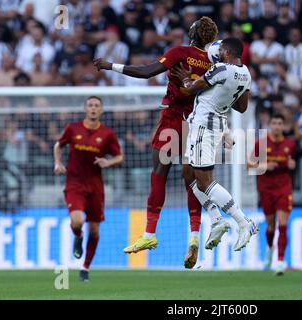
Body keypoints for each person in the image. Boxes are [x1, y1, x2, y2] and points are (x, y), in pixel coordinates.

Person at [93, 16, 218, 269]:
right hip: (197, 122)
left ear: (193, 33)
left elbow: (147, 71)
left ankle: (149, 234)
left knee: (159, 172)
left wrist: (110, 66)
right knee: (192, 179)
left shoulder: (180, 52)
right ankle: (194, 236)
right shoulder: (213, 63)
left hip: (173, 118)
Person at [171, 37, 258, 252]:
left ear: (227, 52)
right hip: (215, 124)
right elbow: (242, 107)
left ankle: (243, 222)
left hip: (204, 127)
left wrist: (185, 79)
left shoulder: (221, 69)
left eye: (220, 51)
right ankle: (217, 219)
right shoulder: (246, 74)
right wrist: (223, 95)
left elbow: (191, 88)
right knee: (188, 172)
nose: (216, 54)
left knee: (204, 182)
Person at [53, 96, 123, 282]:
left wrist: (108, 162)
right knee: (77, 221)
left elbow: (119, 157)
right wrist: (58, 163)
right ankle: (78, 235)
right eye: (90, 105)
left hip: (95, 185)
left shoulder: (107, 134)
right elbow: (58, 145)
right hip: (74, 183)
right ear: (85, 109)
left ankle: (85, 268)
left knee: (94, 231)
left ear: (101, 110)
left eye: (97, 106)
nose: (93, 108)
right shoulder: (72, 128)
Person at [247, 113, 296, 275]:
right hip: (266, 188)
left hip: (283, 188)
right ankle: (270, 249)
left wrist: (291, 164)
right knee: (270, 226)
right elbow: (249, 166)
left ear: (283, 126)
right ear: (270, 125)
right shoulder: (260, 144)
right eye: (274, 123)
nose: (277, 126)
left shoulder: (290, 144)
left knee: (282, 225)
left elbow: (293, 162)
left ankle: (280, 261)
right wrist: (265, 166)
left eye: (280, 123)